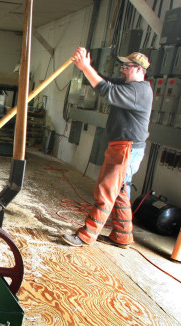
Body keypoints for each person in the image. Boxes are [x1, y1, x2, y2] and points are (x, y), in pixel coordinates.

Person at [62, 48, 153, 249]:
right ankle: (122, 236)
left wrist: (86, 67)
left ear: (138, 69)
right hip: (121, 147)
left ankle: (87, 235)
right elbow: (103, 81)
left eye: (126, 67)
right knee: (119, 190)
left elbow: (108, 91)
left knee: (106, 190)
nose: (122, 70)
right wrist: (86, 66)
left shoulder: (139, 91)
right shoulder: (129, 84)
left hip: (127, 150)